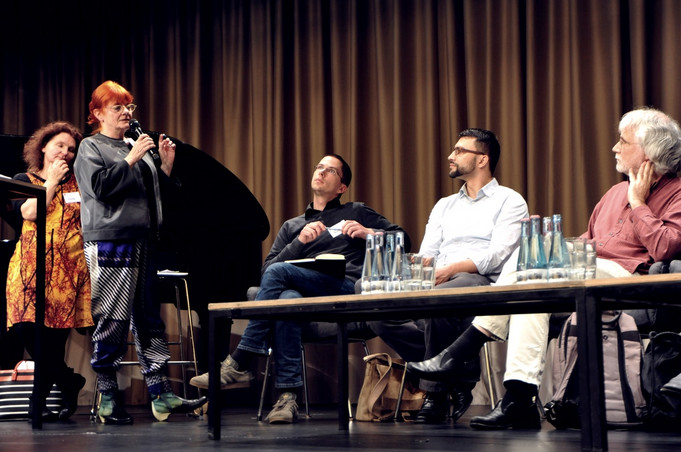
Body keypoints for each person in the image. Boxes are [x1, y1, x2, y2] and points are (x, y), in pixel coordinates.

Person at [408, 107, 681, 430]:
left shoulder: (674, 192)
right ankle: (518, 400)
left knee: (534, 260)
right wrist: (548, 243)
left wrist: (638, 203)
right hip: (587, 275)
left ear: (649, 154)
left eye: (623, 142)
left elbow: (666, 247)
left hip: (631, 283)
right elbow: (587, 242)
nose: (614, 147)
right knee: (531, 289)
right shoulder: (613, 193)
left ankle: (462, 349)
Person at [189, 154, 411, 424]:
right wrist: (299, 242)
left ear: (341, 187)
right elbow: (266, 271)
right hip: (302, 297)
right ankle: (287, 398)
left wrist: (368, 232)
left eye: (330, 170)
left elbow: (403, 241)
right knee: (287, 299)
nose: (321, 172)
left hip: (343, 289)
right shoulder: (293, 226)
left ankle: (240, 360)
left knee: (281, 277)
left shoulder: (356, 211)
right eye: (319, 167)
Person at [371, 128, 529, 424]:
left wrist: (451, 269)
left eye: (459, 151)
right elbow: (428, 252)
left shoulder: (509, 201)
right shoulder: (444, 205)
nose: (450, 156)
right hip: (439, 280)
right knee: (372, 299)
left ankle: (436, 393)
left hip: (481, 282)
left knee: (443, 296)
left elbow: (497, 254)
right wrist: (414, 267)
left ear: (482, 159)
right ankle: (458, 370)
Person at [73, 80, 206, 424]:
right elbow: (100, 188)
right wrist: (132, 158)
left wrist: (163, 167)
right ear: (98, 113)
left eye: (129, 107)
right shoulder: (91, 146)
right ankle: (107, 396)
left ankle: (161, 395)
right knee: (113, 318)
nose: (126, 113)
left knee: (148, 318)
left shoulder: (136, 146)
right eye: (117, 107)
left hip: (144, 239)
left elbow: (150, 196)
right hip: (110, 240)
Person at [5, 121, 93, 421]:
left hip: (67, 271)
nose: (66, 153)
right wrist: (51, 181)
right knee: (25, 328)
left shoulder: (79, 184)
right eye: (60, 146)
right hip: (28, 268)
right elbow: (29, 212)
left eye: (71, 149)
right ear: (43, 146)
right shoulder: (23, 178)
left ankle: (37, 406)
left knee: (54, 341)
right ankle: (68, 380)